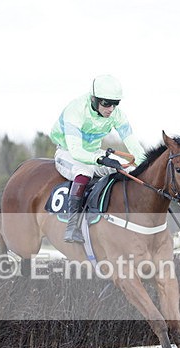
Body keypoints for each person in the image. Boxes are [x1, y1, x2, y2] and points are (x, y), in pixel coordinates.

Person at [49, 74, 146, 243]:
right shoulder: (76, 110)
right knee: (84, 171)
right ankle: (72, 227)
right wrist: (102, 160)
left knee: (129, 169)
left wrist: (146, 165)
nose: (111, 109)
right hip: (68, 152)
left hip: (94, 152)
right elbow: (77, 151)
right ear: (94, 99)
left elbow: (134, 147)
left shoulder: (117, 115)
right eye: (106, 103)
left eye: (115, 104)